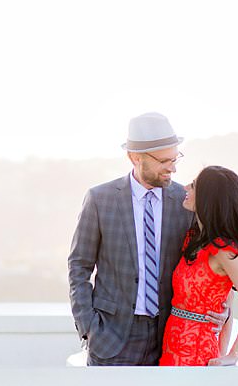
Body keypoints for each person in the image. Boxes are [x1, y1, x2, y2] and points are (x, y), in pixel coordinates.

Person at [68, 112, 224, 365]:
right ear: (135, 157)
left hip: (170, 337)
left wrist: (222, 308)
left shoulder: (185, 201)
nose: (172, 167)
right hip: (111, 337)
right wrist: (88, 326)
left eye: (175, 159)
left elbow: (211, 257)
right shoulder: (100, 199)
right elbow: (79, 266)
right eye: (164, 161)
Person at [159, 166, 238, 366]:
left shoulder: (224, 249)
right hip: (171, 348)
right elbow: (227, 299)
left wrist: (232, 355)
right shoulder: (194, 240)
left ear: (209, 197)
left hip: (197, 355)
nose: (186, 188)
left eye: (194, 185)